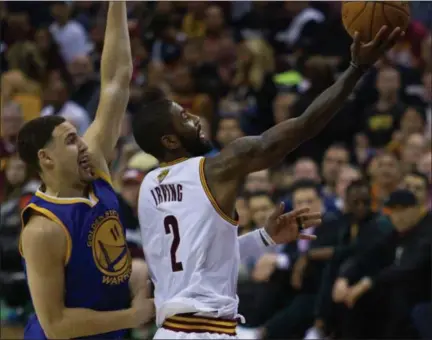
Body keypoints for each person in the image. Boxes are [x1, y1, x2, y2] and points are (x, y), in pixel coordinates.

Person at [133, 26, 403, 339]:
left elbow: (197, 259)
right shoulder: (215, 169)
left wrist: (264, 237)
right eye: (184, 118)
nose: (195, 119)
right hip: (204, 329)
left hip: (170, 331)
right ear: (169, 140)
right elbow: (303, 126)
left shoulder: (147, 186)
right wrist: (356, 70)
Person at [17, 3, 154, 339]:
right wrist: (132, 315)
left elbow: (116, 80)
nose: (83, 144)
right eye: (70, 140)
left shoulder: (93, 166)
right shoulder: (42, 230)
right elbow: (57, 324)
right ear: (46, 159)